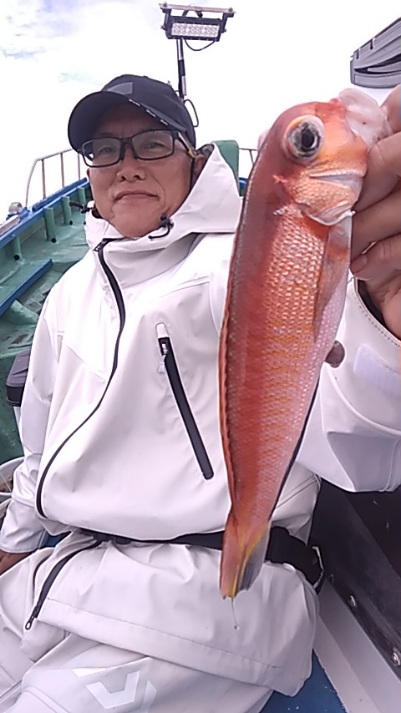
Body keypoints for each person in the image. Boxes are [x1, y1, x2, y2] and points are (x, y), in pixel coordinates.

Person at [0, 73, 400, 713]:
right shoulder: (70, 294)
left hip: (205, 603)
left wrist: (384, 329)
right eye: (104, 149)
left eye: (152, 143)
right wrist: (16, 540)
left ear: (193, 157)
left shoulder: (239, 262)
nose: (127, 165)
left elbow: (353, 438)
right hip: (62, 576)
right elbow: (40, 444)